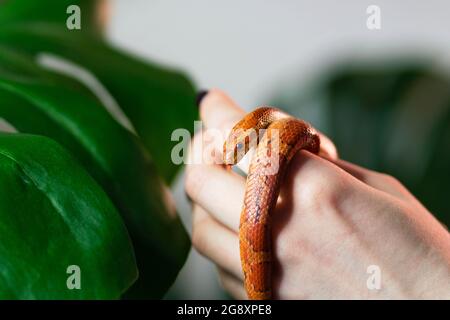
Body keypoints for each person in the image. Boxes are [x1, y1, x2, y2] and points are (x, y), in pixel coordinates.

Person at [184, 89, 450, 299]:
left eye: (241, 146)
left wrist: (425, 281)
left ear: (255, 128)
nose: (234, 156)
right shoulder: (266, 123)